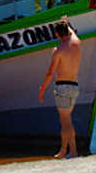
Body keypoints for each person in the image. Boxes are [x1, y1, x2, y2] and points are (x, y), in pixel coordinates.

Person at [35, 18, 83, 158]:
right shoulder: (77, 43)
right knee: (65, 120)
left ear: (56, 34)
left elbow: (50, 73)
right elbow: (72, 33)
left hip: (62, 86)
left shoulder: (58, 50)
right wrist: (66, 23)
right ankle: (63, 150)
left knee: (66, 121)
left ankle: (73, 151)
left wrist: (42, 88)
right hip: (74, 86)